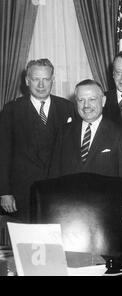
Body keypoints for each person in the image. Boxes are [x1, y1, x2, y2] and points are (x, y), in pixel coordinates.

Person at [0, 59, 75, 221]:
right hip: (23, 191)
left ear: (52, 80)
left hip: (58, 190)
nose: (41, 85)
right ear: (27, 81)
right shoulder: (11, 109)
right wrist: (5, 192)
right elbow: (3, 153)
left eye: (46, 79)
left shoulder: (67, 107)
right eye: (36, 79)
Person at [49, 80, 122, 178]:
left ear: (103, 101)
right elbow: (54, 175)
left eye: (92, 99)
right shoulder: (64, 132)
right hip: (68, 193)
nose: (86, 105)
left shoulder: (120, 133)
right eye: (81, 100)